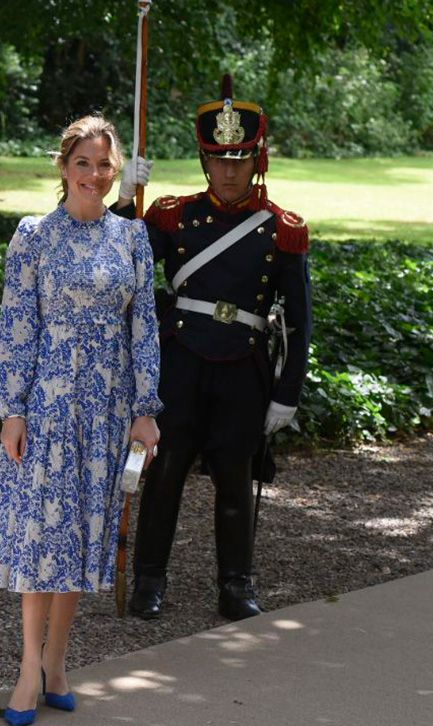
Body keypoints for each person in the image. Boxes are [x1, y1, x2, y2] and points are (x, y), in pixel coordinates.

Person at [0, 114, 162, 726]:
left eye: (105, 164)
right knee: (40, 537)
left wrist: (146, 410)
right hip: (48, 404)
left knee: (78, 534)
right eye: (83, 163)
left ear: (115, 169)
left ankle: (57, 663)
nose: (94, 175)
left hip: (107, 406)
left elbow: (145, 329)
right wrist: (12, 409)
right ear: (63, 166)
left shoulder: (132, 238)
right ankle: (27, 669)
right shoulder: (33, 236)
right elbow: (16, 326)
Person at [112, 74, 311, 622]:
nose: (229, 169)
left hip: (243, 366)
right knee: (167, 469)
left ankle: (236, 584)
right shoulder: (173, 216)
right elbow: (123, 263)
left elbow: (298, 319)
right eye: (219, 159)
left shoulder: (282, 230)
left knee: (234, 475)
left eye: (240, 158)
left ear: (257, 159)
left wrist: (286, 392)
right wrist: (126, 201)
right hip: (181, 362)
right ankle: (150, 580)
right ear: (206, 160)